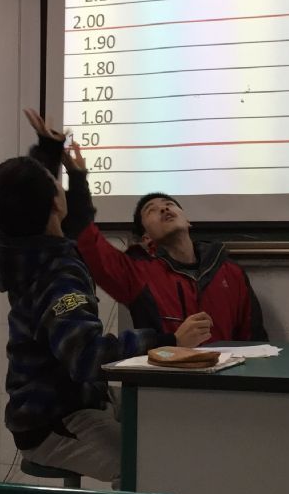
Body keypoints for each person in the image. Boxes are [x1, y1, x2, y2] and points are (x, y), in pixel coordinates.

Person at [0, 133, 189, 487]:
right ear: (54, 204)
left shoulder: (5, 242)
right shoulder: (58, 276)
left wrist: (57, 162)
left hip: (65, 400)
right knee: (145, 466)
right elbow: (87, 356)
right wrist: (168, 341)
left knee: (167, 425)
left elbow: (34, 206)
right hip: (54, 420)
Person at [23, 112, 266, 344]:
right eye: (151, 210)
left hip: (229, 372)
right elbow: (86, 238)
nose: (164, 208)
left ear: (188, 221)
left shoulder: (229, 271)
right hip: (164, 373)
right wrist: (76, 176)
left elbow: (254, 340)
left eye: (169, 204)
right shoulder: (136, 272)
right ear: (146, 237)